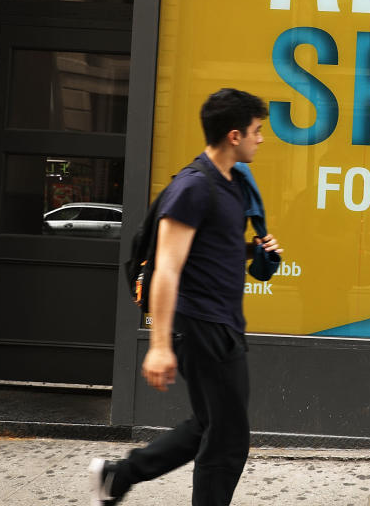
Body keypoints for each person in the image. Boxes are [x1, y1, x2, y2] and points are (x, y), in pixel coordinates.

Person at [89, 88, 282, 505]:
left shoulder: (233, 183)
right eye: (257, 131)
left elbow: (210, 248)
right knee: (228, 438)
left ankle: (117, 476)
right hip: (199, 325)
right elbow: (166, 269)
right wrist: (158, 346)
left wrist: (255, 252)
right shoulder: (193, 187)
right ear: (235, 135)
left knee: (210, 423)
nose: (261, 139)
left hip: (222, 324)